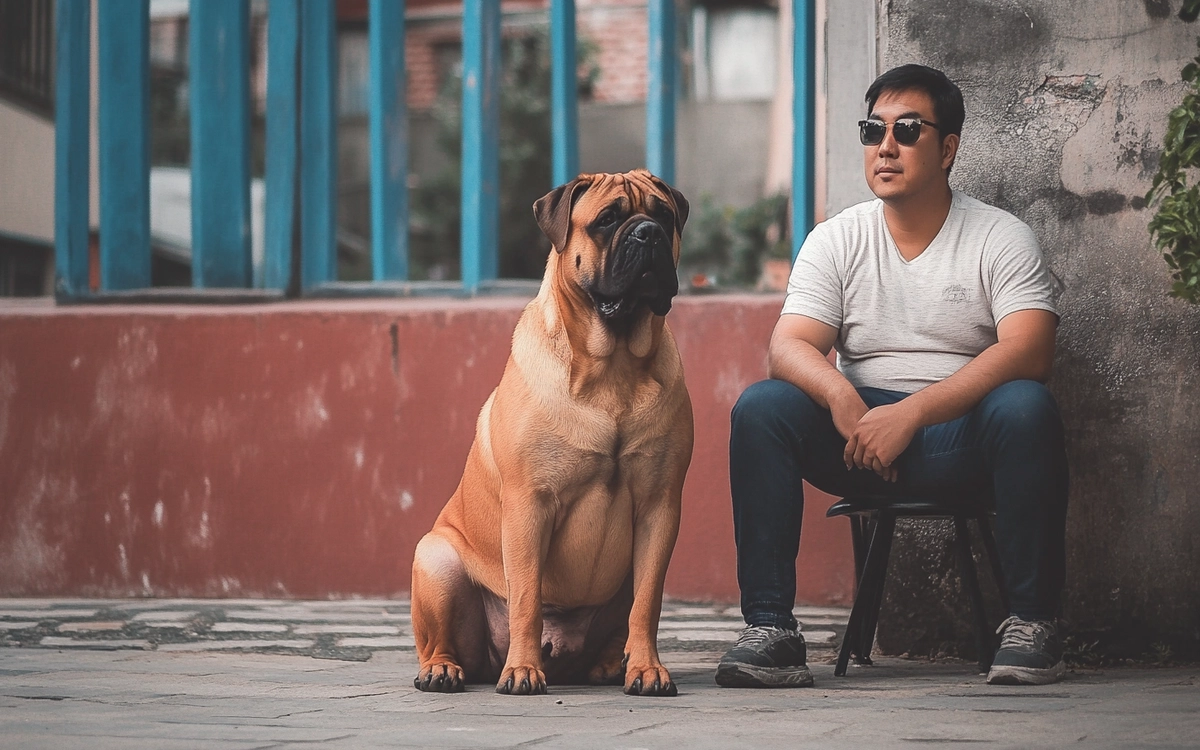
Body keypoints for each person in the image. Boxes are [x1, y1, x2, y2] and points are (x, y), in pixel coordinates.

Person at [715, 64, 1069, 689]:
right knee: (763, 407)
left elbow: (1030, 350)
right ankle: (770, 629)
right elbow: (788, 347)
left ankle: (1032, 624)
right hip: (860, 437)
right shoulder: (836, 240)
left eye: (907, 130)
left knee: (1025, 406)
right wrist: (842, 397)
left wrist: (911, 414)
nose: (885, 146)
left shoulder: (999, 237)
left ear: (948, 147)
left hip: (957, 435)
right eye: (872, 129)